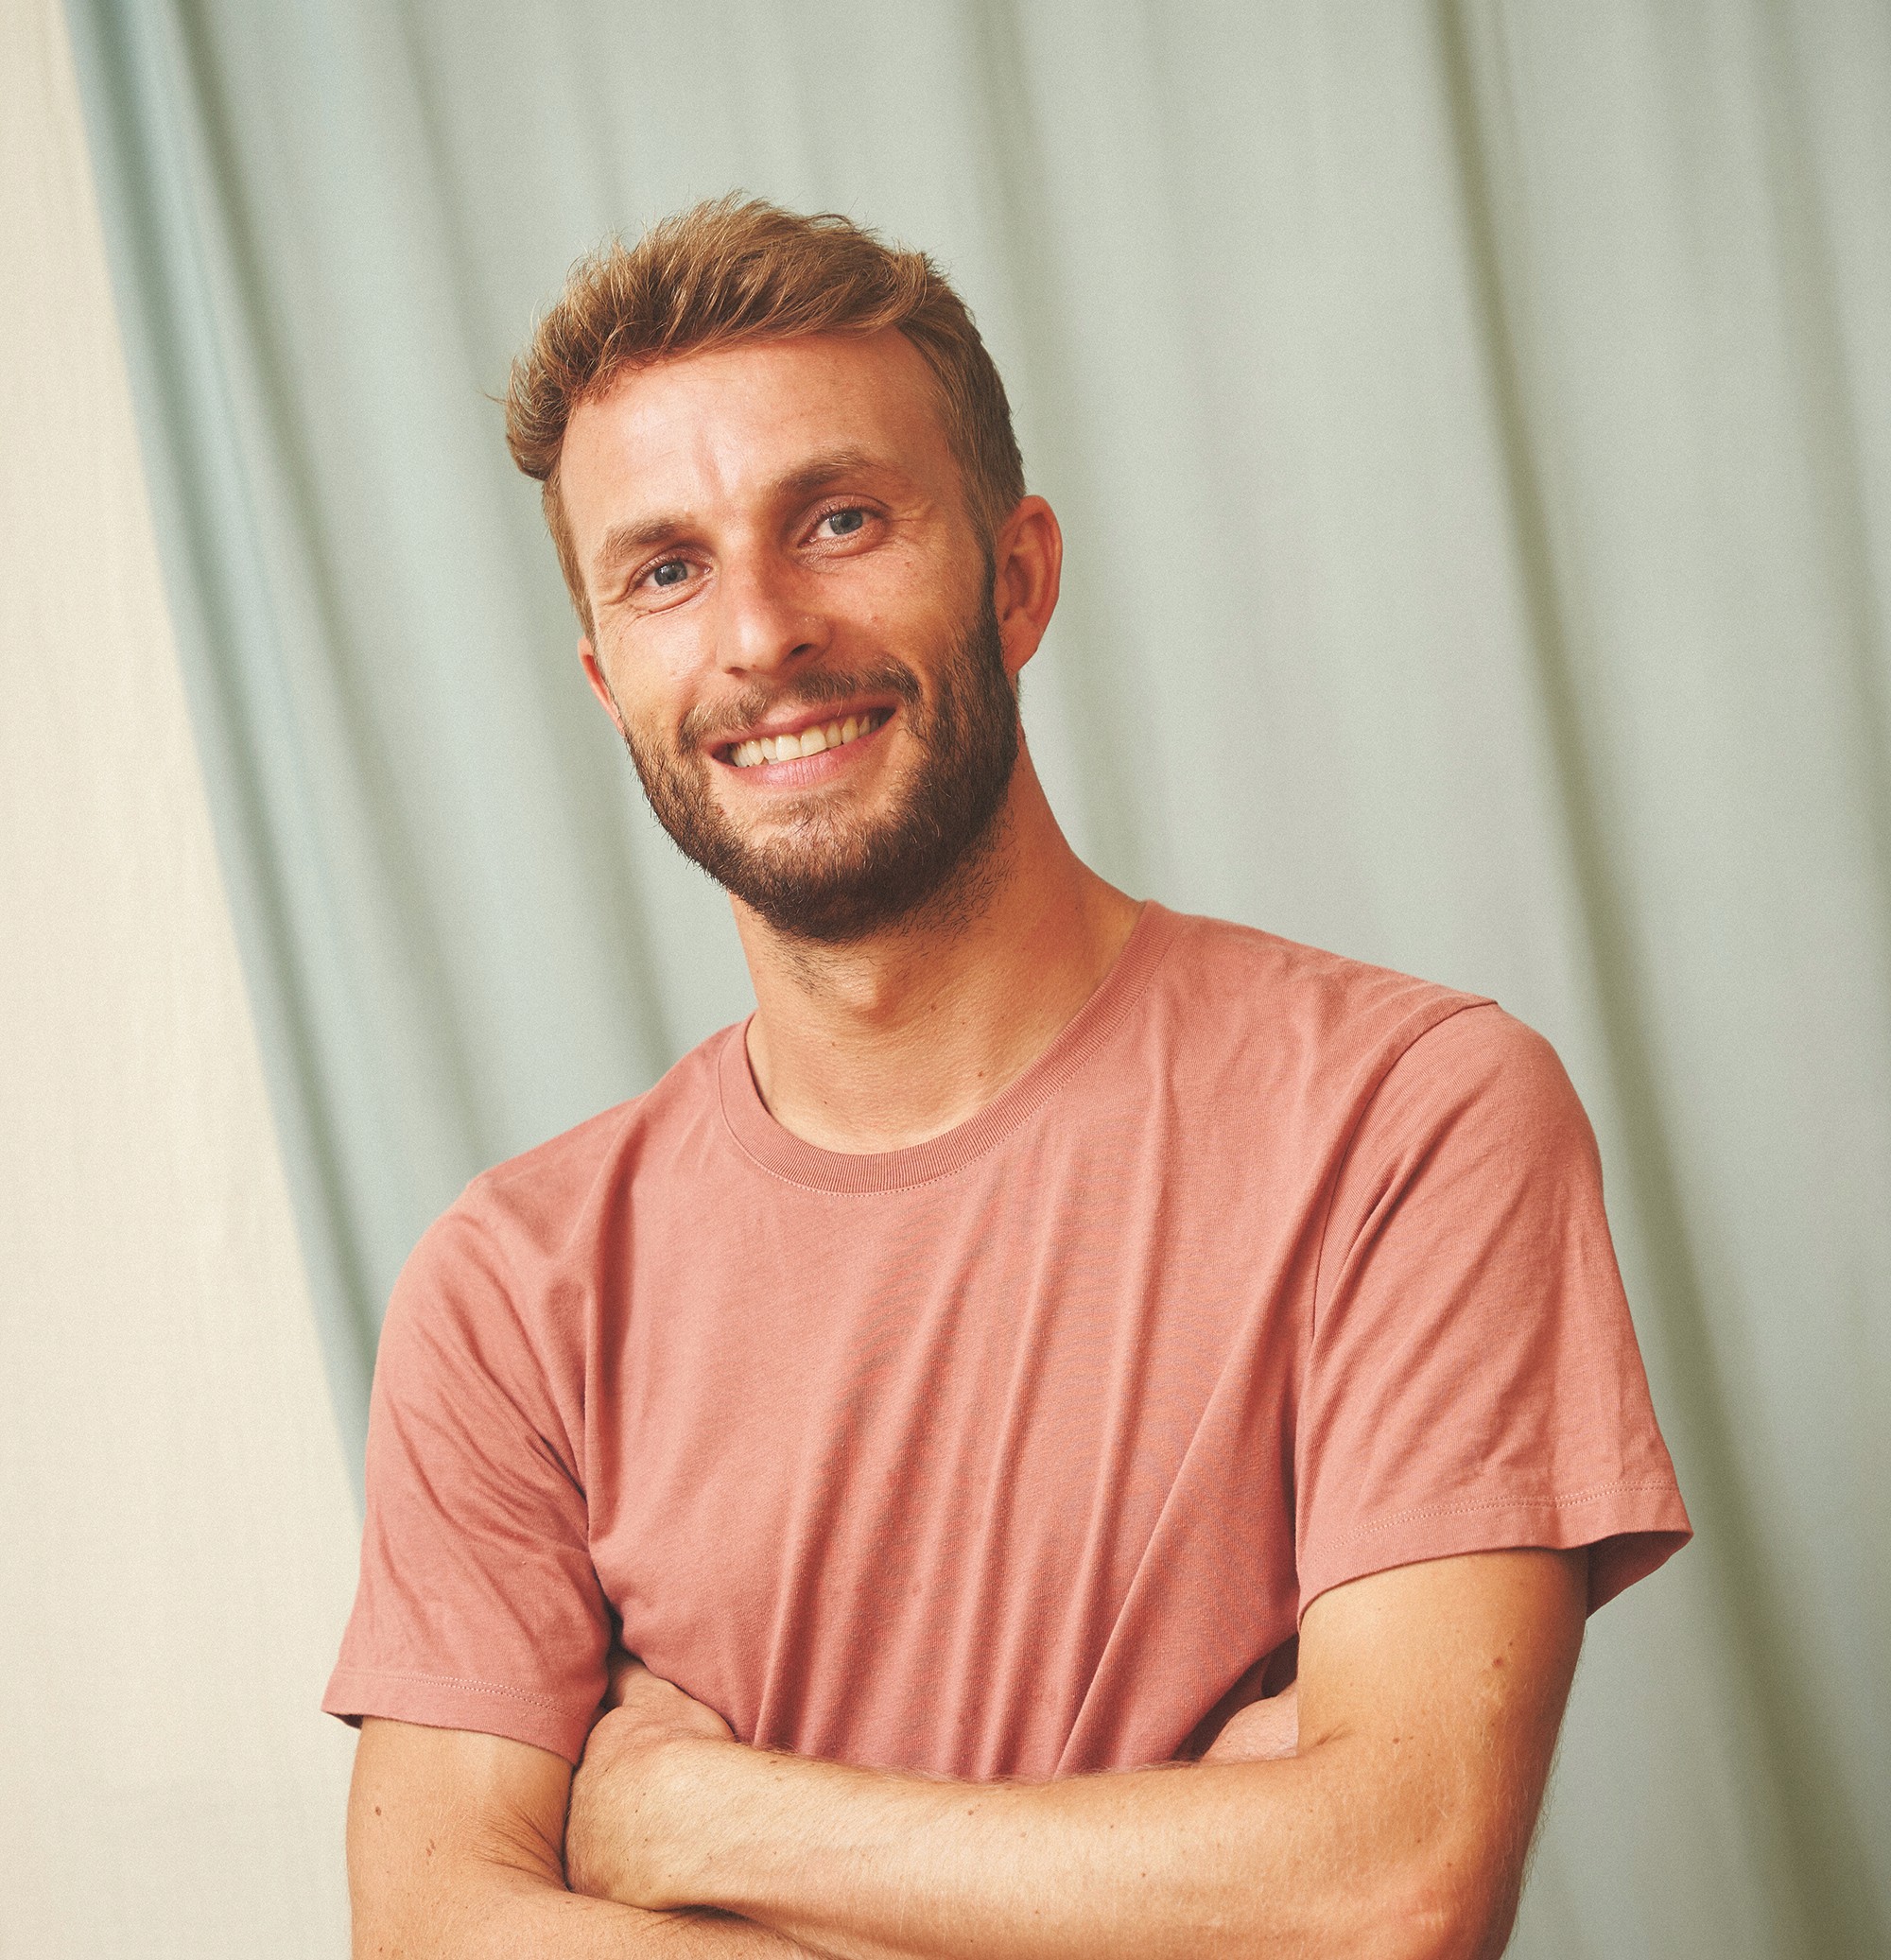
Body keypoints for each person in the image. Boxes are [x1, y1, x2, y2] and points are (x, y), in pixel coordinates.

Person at [325, 199, 1690, 1958]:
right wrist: (1192, 1864)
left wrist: (694, 1813)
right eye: (664, 567)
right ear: (608, 681)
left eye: (838, 519)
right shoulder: (509, 1292)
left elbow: (1388, 1889)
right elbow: (431, 1927)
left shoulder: (1410, 1119)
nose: (758, 633)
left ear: (1017, 574)